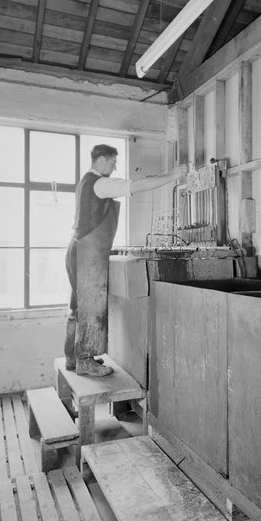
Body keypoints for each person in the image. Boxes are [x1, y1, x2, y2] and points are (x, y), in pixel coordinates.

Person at [65, 143, 185, 377]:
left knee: (78, 307)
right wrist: (173, 175)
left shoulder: (85, 182)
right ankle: (85, 361)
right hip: (87, 256)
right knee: (91, 306)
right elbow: (137, 185)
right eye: (112, 161)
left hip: (78, 251)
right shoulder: (99, 183)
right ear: (100, 159)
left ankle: (74, 357)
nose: (115, 165)